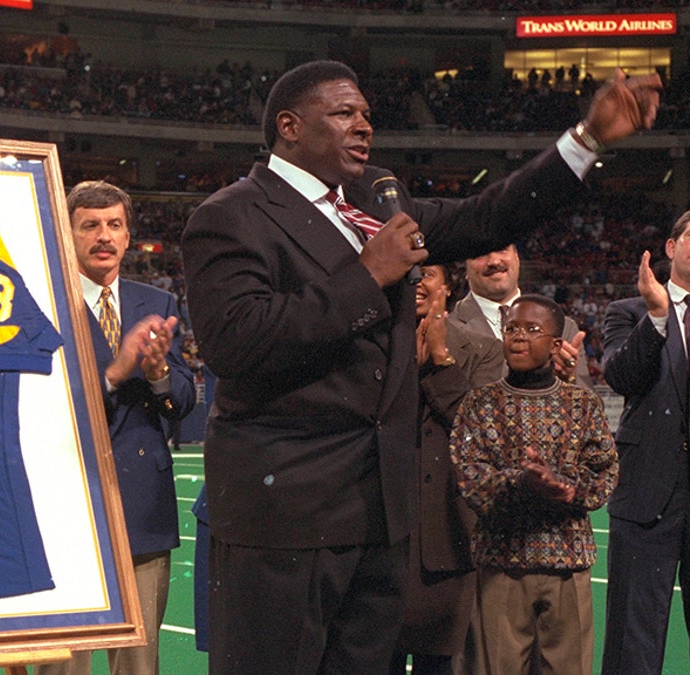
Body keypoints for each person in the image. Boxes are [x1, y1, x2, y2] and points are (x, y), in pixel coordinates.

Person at [180, 59, 658, 673]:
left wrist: (586, 139)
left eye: (367, 116)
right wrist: (367, 275)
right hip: (286, 516)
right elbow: (236, 344)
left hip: (382, 513)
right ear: (290, 126)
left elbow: (487, 217)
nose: (363, 126)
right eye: (344, 113)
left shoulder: (377, 201)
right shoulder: (231, 214)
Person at [37, 180, 195, 675]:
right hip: (68, 506)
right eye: (90, 225)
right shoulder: (43, 300)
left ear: (128, 236)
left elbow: (183, 404)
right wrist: (114, 373)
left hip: (143, 504)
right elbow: (41, 405)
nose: (103, 236)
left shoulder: (158, 303)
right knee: (62, 665)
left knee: (139, 665)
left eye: (114, 225)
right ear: (67, 234)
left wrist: (157, 375)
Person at [450, 294, 617, 675]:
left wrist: (567, 487)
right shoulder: (479, 403)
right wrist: (522, 482)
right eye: (511, 328)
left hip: (568, 567)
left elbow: (605, 472)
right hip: (501, 566)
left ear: (557, 344)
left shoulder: (582, 404)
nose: (518, 337)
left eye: (532, 329)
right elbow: (470, 478)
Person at [391, 263, 502, 674]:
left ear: (449, 286)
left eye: (429, 273)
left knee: (438, 666)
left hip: (447, 538)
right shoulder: (367, 345)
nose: (418, 281)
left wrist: (441, 362)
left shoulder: (482, 349)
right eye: (409, 272)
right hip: (378, 533)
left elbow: (484, 435)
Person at [599, 213, 690, 674]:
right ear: (671, 248)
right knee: (632, 638)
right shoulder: (630, 311)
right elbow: (620, 377)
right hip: (646, 493)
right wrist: (657, 316)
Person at [452, 244, 591, 387]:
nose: (494, 261)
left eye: (502, 249)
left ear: (517, 258)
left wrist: (569, 379)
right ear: (465, 269)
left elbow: (592, 406)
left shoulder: (564, 327)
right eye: (480, 253)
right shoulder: (448, 329)